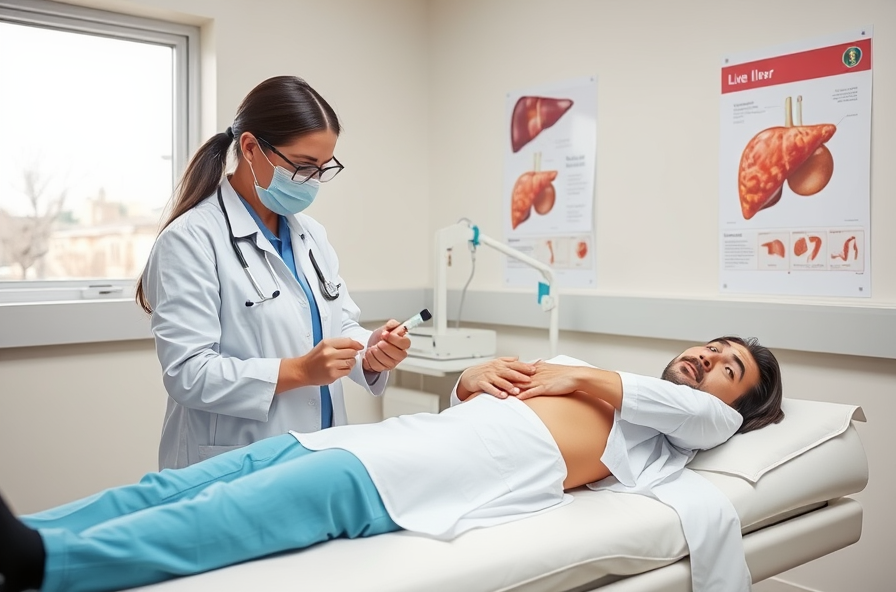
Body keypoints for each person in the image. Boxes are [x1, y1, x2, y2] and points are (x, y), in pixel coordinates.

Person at [0, 336, 784, 592]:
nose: (710, 361)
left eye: (729, 369)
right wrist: (470, 378)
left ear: (737, 405)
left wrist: (570, 373)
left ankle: (46, 562)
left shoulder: (685, 428)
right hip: (381, 441)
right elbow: (473, 395)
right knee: (179, 486)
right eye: (712, 348)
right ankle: (28, 531)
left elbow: (699, 411)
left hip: (409, 481)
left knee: (224, 521)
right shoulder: (627, 388)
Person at [134, 76, 411, 470]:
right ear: (250, 148)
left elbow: (338, 324)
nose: (312, 182)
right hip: (233, 463)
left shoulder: (311, 234)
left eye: (322, 168)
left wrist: (371, 350)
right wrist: (299, 371)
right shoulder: (191, 239)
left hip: (320, 450)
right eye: (302, 167)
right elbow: (188, 373)